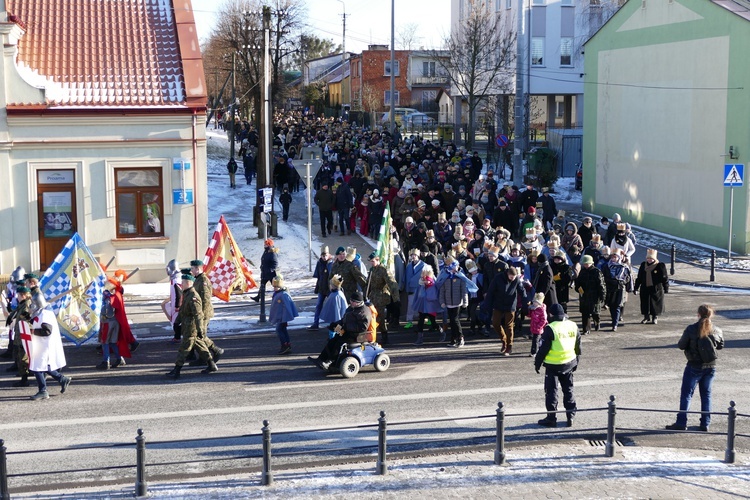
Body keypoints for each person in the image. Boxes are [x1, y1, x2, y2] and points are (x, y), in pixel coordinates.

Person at [666, 305, 724, 432]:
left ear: (698, 314)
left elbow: (681, 345)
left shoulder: (691, 329)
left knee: (686, 394)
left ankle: (681, 422)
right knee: (706, 395)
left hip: (694, 365)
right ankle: (705, 423)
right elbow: (720, 346)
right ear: (711, 315)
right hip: (710, 366)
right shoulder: (717, 330)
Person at [534, 303, 581, 428]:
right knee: (569, 390)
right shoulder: (573, 325)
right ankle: (570, 416)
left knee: (551, 392)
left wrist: (537, 364)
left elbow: (543, 349)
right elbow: (578, 346)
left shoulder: (551, 328)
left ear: (550, 314)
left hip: (553, 365)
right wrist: (576, 361)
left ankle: (551, 418)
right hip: (569, 363)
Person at [166, 273, 216, 379]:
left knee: (184, 349)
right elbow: (183, 311)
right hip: (187, 325)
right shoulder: (187, 294)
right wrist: (176, 321)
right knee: (201, 347)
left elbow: (198, 315)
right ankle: (211, 365)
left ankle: (177, 370)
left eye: (183, 283)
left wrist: (200, 330)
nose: (181, 284)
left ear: (188, 283)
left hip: (191, 328)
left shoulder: (193, 296)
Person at [309, 291, 372, 371]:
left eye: (353, 301)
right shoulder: (351, 308)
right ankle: (321, 359)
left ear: (359, 303)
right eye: (351, 300)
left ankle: (330, 361)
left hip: (356, 335)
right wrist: (335, 325)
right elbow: (344, 320)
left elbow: (363, 327)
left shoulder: (364, 312)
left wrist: (345, 327)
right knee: (332, 340)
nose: (351, 302)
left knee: (339, 343)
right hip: (347, 331)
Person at [27, 293, 72, 400]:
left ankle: (43, 391)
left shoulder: (45, 314)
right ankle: (62, 379)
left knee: (37, 367)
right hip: (40, 344)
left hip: (44, 345)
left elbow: (47, 331)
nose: (31, 305)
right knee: (41, 366)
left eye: (33, 303)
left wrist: (33, 331)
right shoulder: (41, 313)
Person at [483, 265, 527, 356]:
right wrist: (487, 304)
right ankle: (504, 340)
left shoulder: (517, 280)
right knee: (495, 323)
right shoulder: (498, 278)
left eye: (514, 277)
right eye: (511, 277)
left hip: (510, 305)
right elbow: (491, 291)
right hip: (498, 304)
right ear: (507, 274)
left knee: (509, 326)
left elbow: (522, 291)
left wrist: (526, 302)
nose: (512, 279)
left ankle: (509, 346)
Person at [190, 260, 225, 362]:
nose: (191, 271)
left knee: (200, 336)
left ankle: (216, 350)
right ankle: (202, 358)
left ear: (198, 268)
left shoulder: (203, 281)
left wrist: (201, 315)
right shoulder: (198, 279)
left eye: (192, 268)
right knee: (198, 336)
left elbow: (205, 300)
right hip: (199, 312)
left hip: (203, 313)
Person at [365, 252, 398, 345]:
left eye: (373, 261)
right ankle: (373, 336)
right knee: (372, 317)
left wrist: (396, 298)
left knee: (381, 317)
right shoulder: (372, 270)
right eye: (371, 261)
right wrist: (365, 295)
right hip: (373, 297)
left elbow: (392, 283)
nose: (371, 263)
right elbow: (368, 284)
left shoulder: (384, 270)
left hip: (382, 297)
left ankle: (385, 335)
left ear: (377, 260)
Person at [634, 248, 669, 325]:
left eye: (651, 258)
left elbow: (664, 278)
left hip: (656, 288)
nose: (649, 260)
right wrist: (636, 287)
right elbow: (639, 277)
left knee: (655, 304)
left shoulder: (659, 266)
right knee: (645, 303)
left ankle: (655, 317)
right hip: (645, 287)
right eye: (648, 258)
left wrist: (666, 287)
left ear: (654, 259)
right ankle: (646, 317)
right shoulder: (643, 265)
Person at [439, 256, 469, 348]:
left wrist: (465, 301)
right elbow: (442, 290)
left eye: (455, 267)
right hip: (448, 302)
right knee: (451, 321)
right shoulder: (445, 277)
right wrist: (442, 301)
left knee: (455, 320)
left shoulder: (460, 277)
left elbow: (464, 291)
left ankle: (460, 337)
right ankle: (453, 339)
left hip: (457, 302)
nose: (453, 269)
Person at [574, 255, 606, 335]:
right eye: (584, 264)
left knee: (595, 312)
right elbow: (578, 282)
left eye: (587, 264)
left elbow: (601, 285)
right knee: (585, 313)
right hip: (584, 296)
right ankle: (586, 329)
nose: (585, 265)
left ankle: (597, 322)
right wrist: (578, 288)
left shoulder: (597, 272)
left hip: (594, 296)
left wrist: (602, 295)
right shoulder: (582, 271)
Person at [603, 249, 632, 331]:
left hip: (619, 289)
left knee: (617, 306)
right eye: (612, 257)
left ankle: (615, 324)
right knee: (611, 306)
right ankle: (613, 320)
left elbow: (627, 278)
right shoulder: (607, 266)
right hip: (610, 288)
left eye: (615, 257)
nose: (613, 259)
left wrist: (621, 282)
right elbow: (604, 276)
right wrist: (610, 281)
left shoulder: (624, 267)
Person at [269, 275, 298, 355]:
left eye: (276, 287)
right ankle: (287, 344)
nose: (275, 288)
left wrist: (285, 317)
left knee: (279, 330)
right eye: (274, 286)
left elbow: (287, 307)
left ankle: (284, 344)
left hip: (282, 317)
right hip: (280, 316)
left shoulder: (283, 295)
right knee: (283, 330)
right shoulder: (277, 293)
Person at [309, 245, 332, 331]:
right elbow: (319, 276)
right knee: (318, 305)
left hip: (330, 289)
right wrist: (317, 287)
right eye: (323, 255)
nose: (324, 257)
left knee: (331, 306)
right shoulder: (319, 263)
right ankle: (316, 323)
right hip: (322, 288)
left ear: (328, 254)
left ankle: (332, 323)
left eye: (326, 255)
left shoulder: (331, 263)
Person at [161, 259, 183, 343]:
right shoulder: (174, 279)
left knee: (176, 322)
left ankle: (177, 337)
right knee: (175, 321)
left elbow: (179, 293)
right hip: (174, 303)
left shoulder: (177, 280)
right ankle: (177, 336)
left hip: (177, 305)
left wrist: (177, 306)